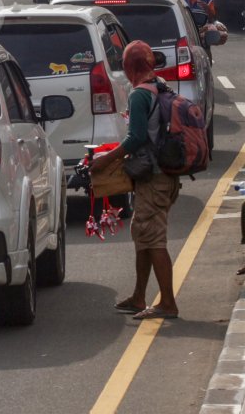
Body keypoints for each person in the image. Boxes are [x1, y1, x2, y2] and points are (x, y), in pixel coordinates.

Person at [113, 41, 180, 321]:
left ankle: (167, 303)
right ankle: (139, 296)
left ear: (130, 66)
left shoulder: (140, 94)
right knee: (143, 234)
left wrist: (107, 159)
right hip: (165, 173)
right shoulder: (160, 84)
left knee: (153, 239)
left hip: (153, 177)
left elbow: (136, 137)